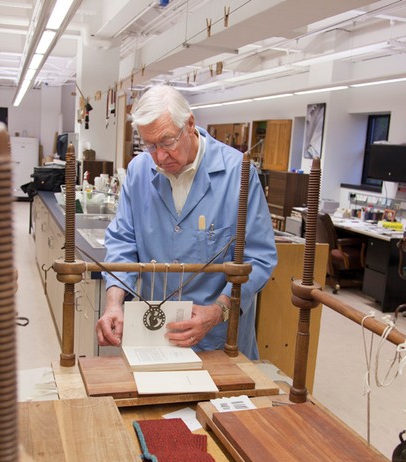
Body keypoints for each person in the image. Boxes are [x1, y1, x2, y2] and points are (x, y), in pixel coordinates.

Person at [95, 85, 277, 360]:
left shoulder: (238, 174)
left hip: (220, 341)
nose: (159, 157)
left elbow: (259, 257)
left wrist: (218, 311)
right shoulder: (139, 171)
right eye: (150, 145)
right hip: (154, 335)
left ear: (190, 124)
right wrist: (114, 303)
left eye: (167, 142)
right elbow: (123, 243)